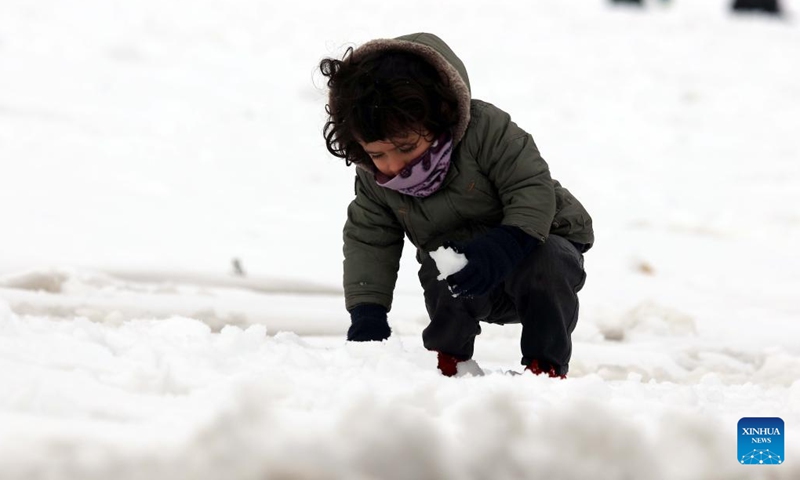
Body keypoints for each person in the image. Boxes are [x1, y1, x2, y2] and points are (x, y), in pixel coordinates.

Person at [319, 33, 593, 378]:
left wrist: (505, 244)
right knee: (440, 265)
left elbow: (530, 188)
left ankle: (546, 367)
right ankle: (450, 363)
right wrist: (367, 315)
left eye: (405, 148)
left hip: (530, 247)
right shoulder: (376, 181)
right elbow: (369, 240)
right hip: (465, 276)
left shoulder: (487, 130)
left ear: (438, 115)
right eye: (377, 154)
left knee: (547, 260)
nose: (393, 165)